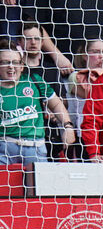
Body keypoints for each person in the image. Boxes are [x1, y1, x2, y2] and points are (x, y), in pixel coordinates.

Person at [0, 44, 74, 189]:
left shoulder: (35, 81)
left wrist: (68, 126)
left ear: (22, 66)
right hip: (3, 150)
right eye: (5, 62)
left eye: (15, 62)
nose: (11, 67)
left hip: (35, 149)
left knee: (39, 198)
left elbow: (57, 105)